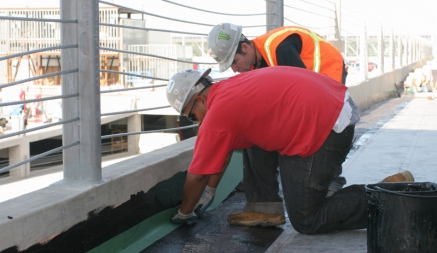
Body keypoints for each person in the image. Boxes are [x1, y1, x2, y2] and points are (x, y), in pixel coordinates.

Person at [165, 66, 414, 232]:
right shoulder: (230, 90)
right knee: (252, 140)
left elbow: (196, 174)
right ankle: (266, 209)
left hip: (328, 128)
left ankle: (391, 195)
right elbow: (220, 153)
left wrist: (184, 213)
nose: (196, 122)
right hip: (331, 108)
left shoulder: (218, 113)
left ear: (198, 99)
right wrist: (210, 190)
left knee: (307, 219)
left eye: (191, 116)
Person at [201, 23, 350, 226]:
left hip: (327, 81)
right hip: (318, 94)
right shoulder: (258, 62)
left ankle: (332, 180)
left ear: (245, 48)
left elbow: (301, 91)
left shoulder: (280, 48)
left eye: (235, 62)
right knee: (252, 129)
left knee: (321, 133)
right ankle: (264, 207)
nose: (235, 70)